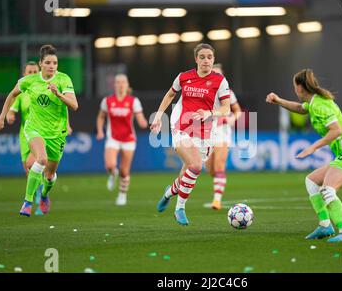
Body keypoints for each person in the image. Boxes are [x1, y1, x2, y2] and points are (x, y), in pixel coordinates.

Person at [266, 69, 342, 242]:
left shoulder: (320, 105)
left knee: (328, 190)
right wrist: (278, 101)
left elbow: (337, 130)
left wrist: (312, 148)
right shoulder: (313, 103)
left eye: (294, 86)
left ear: (300, 88)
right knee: (312, 181)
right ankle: (325, 225)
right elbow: (300, 108)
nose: (294, 89)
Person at [151, 43, 231, 226]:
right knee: (195, 166)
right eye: (202, 57)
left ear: (214, 59)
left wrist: (210, 113)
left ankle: (169, 192)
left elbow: (226, 108)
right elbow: (170, 95)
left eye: (209, 57)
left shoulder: (220, 81)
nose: (206, 60)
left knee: (188, 172)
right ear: (196, 59)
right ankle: (180, 208)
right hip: (182, 127)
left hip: (205, 133)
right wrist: (158, 115)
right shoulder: (184, 77)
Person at [0, 44, 78, 217]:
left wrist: (59, 94)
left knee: (50, 175)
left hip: (57, 134)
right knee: (40, 159)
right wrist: (1, 117)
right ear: (41, 64)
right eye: (48, 62)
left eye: (54, 63)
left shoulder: (64, 80)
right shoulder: (29, 81)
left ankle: (45, 195)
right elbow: (12, 94)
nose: (52, 66)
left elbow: (74, 105)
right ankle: (27, 202)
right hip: (34, 129)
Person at [96, 74, 148, 206]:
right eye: (118, 82)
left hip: (129, 139)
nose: (120, 84)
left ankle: (122, 194)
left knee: (125, 171)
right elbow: (101, 117)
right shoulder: (107, 101)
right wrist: (100, 131)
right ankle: (113, 174)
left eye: (123, 82)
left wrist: (143, 123)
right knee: (110, 165)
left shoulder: (133, 101)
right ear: (114, 85)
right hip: (113, 137)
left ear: (127, 84)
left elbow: (140, 117)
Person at [205, 63, 242, 210]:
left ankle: (217, 200)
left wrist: (233, 118)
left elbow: (237, 110)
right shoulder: (203, 92)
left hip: (222, 130)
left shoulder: (227, 92)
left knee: (219, 166)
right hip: (207, 132)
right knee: (210, 170)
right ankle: (218, 186)